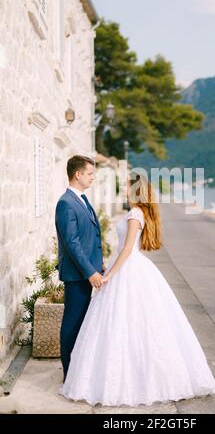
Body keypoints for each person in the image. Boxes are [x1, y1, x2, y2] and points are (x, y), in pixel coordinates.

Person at [60, 172, 215, 406]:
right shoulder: (135, 212)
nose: (124, 188)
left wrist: (109, 275)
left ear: (136, 189)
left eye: (127, 185)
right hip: (129, 266)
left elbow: (126, 250)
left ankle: (132, 380)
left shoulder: (135, 213)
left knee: (128, 322)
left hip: (128, 268)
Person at [55, 155, 106, 381]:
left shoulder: (82, 199)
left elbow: (90, 236)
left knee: (84, 324)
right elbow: (72, 243)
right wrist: (90, 272)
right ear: (78, 174)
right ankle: (68, 375)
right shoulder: (66, 203)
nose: (93, 177)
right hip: (77, 276)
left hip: (88, 272)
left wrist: (99, 265)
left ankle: (78, 372)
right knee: (73, 324)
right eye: (90, 173)